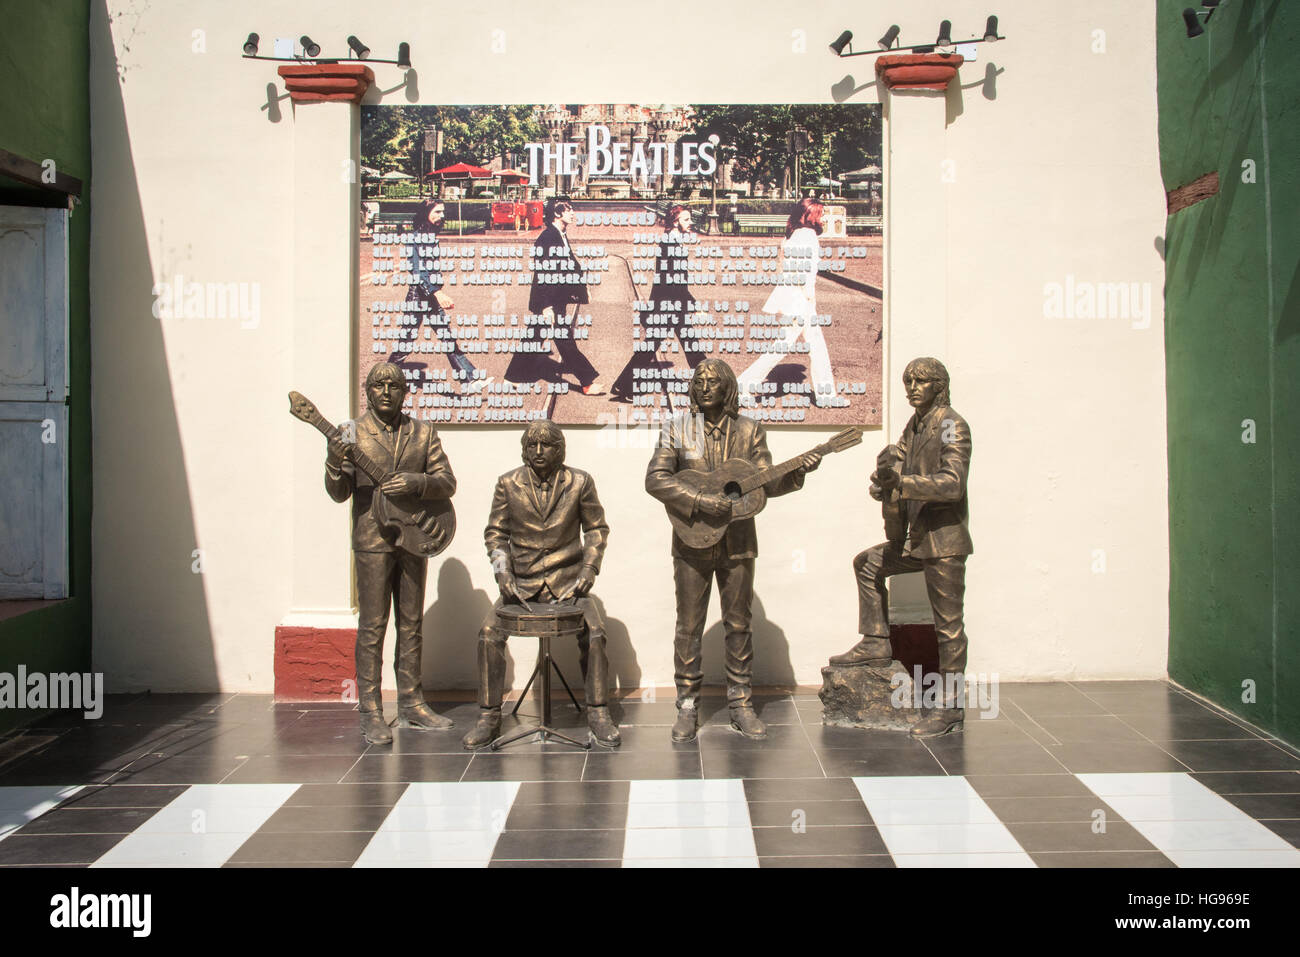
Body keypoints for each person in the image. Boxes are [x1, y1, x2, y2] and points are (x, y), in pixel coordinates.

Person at [645, 358, 822, 742]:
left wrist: (796, 474)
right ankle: (687, 705)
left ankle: (741, 703)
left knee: (739, 624)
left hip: (739, 542)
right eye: (699, 380)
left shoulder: (750, 431)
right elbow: (655, 480)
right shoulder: (677, 430)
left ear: (728, 388)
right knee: (688, 625)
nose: (704, 386)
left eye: (713, 381)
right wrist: (699, 501)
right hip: (691, 540)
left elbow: (764, 483)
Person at [829, 357, 972, 737]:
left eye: (920, 381)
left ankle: (951, 707)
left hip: (943, 540)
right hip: (917, 538)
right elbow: (898, 470)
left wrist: (904, 483)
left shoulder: (950, 425)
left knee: (949, 627)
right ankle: (876, 641)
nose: (911, 387)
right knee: (868, 564)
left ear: (939, 385)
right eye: (908, 381)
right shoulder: (915, 425)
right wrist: (884, 481)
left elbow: (952, 483)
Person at [462, 420, 621, 750]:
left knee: (595, 633)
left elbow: (596, 530)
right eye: (531, 445)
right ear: (523, 449)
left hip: (569, 584)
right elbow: (495, 535)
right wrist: (503, 575)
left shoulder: (580, 482)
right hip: (521, 584)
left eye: (546, 445)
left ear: (560, 450)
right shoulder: (508, 484)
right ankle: (489, 716)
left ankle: (599, 712)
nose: (538, 451)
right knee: (488, 634)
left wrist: (588, 571)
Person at [324, 361, 458, 745]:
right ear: (367, 391)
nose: (386, 392)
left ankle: (412, 702)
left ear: (404, 392)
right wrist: (335, 460)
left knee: (411, 622)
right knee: (372, 624)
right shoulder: (351, 433)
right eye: (378, 385)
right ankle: (370, 708)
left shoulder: (423, 433)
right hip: (372, 538)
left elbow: (447, 482)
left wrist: (416, 482)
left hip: (415, 535)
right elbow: (338, 493)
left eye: (394, 386)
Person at [735, 198, 840, 408]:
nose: (823, 217)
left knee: (815, 346)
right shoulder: (808, 236)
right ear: (810, 215)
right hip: (801, 300)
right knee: (783, 347)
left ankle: (827, 395)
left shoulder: (791, 235)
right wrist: (810, 297)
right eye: (820, 213)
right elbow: (805, 272)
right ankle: (741, 386)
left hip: (792, 297)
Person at [505, 199, 606, 395]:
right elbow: (543, 275)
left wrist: (583, 288)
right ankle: (586, 382)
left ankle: (513, 376)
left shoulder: (560, 234)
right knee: (564, 340)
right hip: (548, 301)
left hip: (554, 299)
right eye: (569, 210)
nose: (573, 213)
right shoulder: (548, 238)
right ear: (557, 214)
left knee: (534, 337)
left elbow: (571, 264)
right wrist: (545, 306)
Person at [610, 205, 707, 404]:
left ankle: (623, 384)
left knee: (688, 347)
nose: (690, 223)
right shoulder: (671, 244)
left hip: (669, 306)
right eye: (686, 219)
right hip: (669, 306)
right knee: (683, 347)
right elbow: (673, 281)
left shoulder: (673, 241)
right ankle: (624, 385)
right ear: (675, 221)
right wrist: (693, 306)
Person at [400, 199, 487, 389]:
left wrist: (436, 291)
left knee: (447, 337)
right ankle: (384, 378)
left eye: (442, 212)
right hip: (418, 297)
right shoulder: (415, 237)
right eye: (437, 212)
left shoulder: (430, 236)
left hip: (430, 295)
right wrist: (437, 293)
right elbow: (417, 271)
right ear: (426, 213)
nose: (442, 216)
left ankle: (469, 380)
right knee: (406, 341)